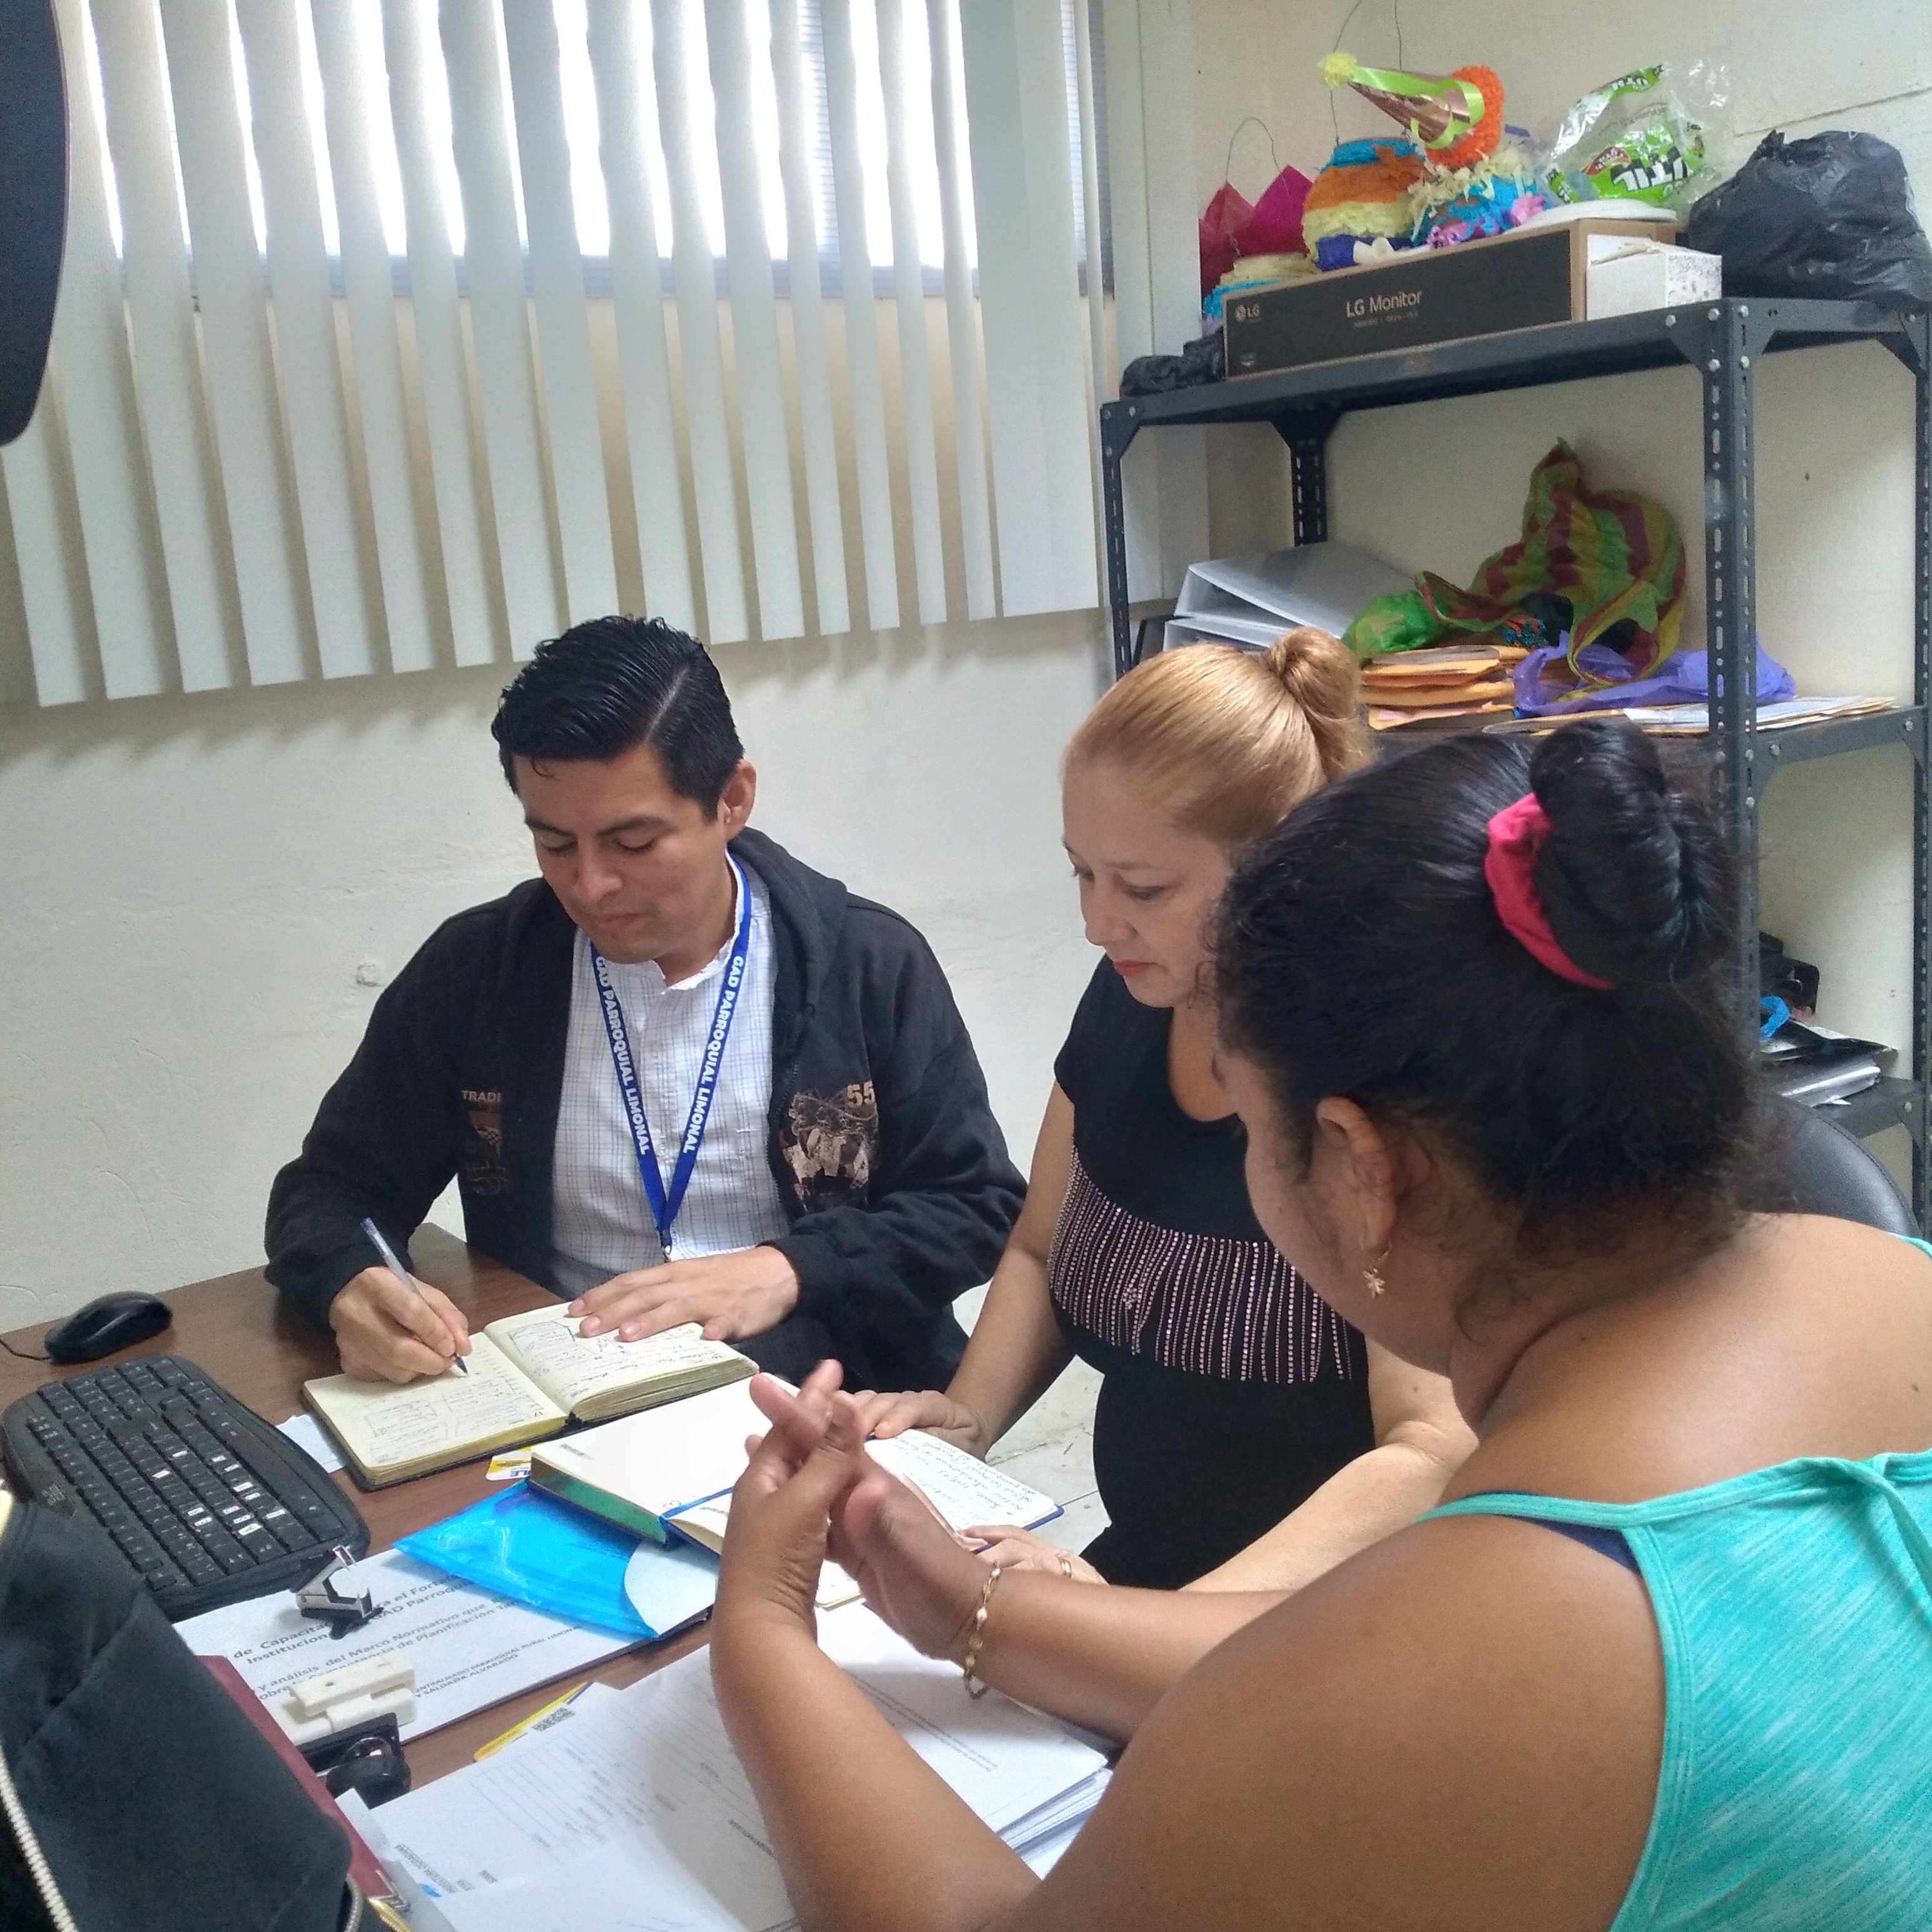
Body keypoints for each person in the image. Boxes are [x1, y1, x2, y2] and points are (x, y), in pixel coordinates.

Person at [711, 719, 1932, 1932]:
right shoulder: (1887, 1274)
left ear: (1360, 1165)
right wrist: (974, 1611)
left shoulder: (1445, 1652)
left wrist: (761, 1631)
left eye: (1248, 1125)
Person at [858, 631, 1472, 1588]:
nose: (1097, 924)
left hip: (1320, 1608)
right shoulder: (1134, 993)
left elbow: (1429, 1451)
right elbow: (1041, 1249)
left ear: (1278, 863)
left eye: (1143, 888)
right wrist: (965, 1425)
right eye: (1082, 873)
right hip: (1144, 1570)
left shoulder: (1384, 1073)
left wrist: (1153, 1625)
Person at [265, 616, 1024, 1390]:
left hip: (827, 1397)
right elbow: (329, 1189)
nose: (590, 885)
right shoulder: (480, 972)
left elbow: (972, 1207)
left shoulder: (863, 963)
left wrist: (789, 1269)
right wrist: (349, 1280)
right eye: (556, 844)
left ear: (731, 799)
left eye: (632, 843)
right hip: (577, 1402)